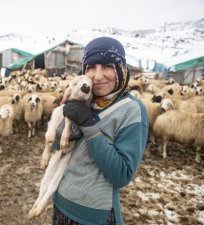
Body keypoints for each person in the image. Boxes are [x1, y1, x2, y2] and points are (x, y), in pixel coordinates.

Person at [52, 36, 149, 225]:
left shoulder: (131, 109)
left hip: (93, 215)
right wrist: (65, 127)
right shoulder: (82, 99)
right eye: (91, 67)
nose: (97, 76)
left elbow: (121, 174)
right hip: (60, 203)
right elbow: (58, 147)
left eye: (107, 66)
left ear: (120, 69)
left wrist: (88, 125)